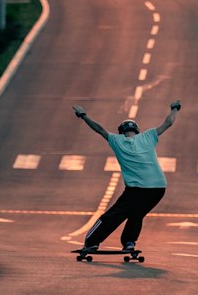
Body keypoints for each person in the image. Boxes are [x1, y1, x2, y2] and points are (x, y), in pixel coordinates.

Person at [72, 99, 181, 251]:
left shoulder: (117, 141)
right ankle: (129, 242)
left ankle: (91, 242)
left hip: (137, 189)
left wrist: (82, 115)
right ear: (137, 130)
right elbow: (168, 122)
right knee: (137, 213)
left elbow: (99, 129)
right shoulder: (148, 136)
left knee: (115, 214)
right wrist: (175, 108)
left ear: (121, 132)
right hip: (158, 188)